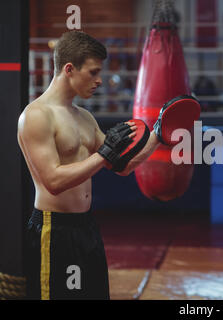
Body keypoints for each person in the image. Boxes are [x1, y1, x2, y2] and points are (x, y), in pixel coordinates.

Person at [17, 31, 163, 299]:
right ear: (69, 69)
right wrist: (105, 154)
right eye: (93, 72)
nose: (99, 81)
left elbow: (121, 165)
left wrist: (158, 137)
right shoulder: (36, 116)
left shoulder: (84, 117)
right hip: (54, 231)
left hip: (86, 228)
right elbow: (54, 181)